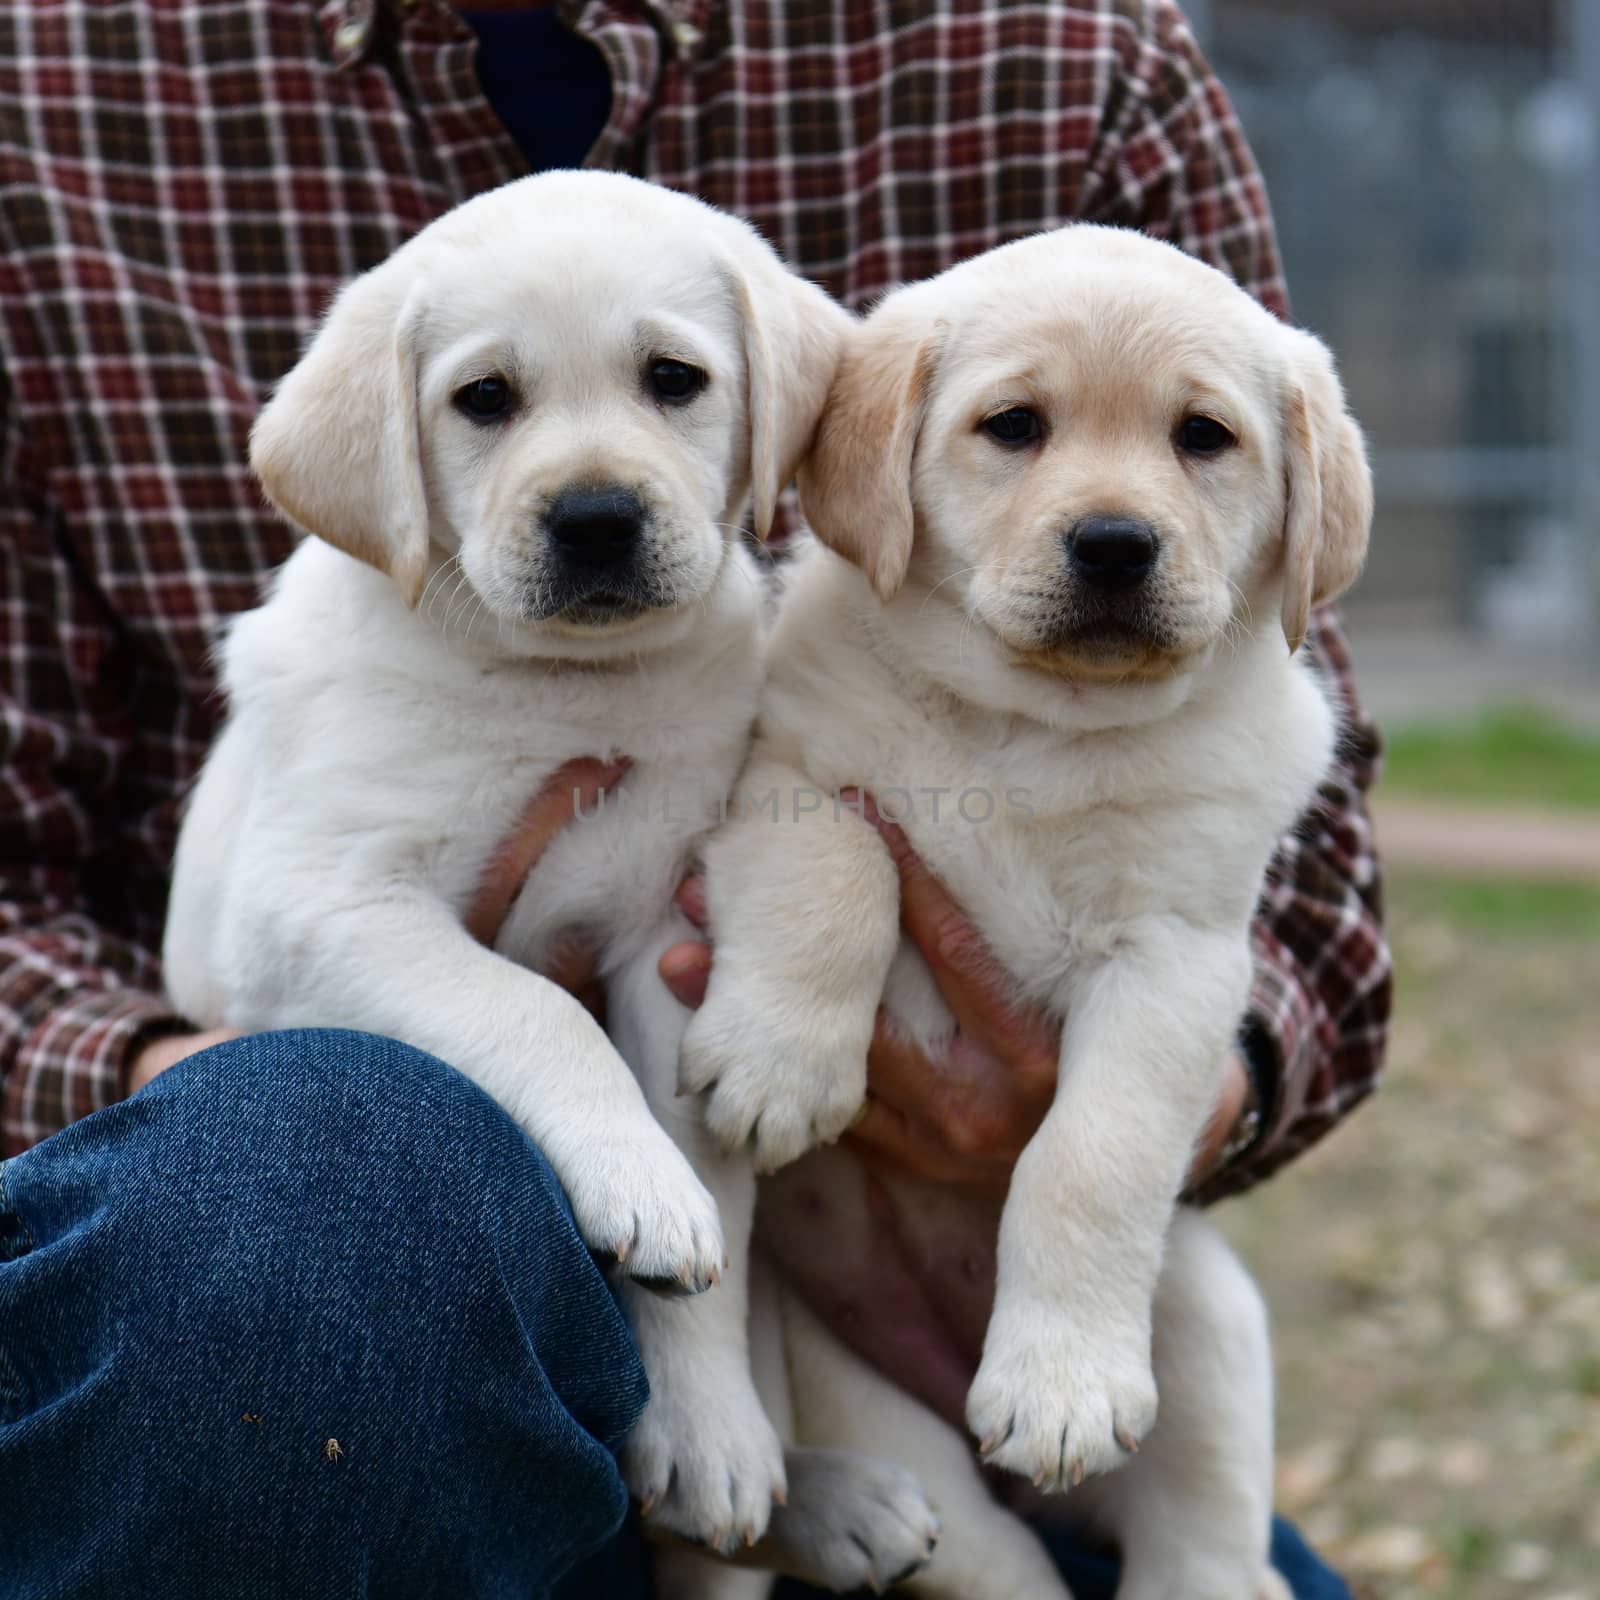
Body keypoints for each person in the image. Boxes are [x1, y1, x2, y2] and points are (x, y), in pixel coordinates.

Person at [0, 2, 1390, 1595]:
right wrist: (187, 1089)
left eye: (678, 382)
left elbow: (1305, 888)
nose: (595, 481)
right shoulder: (51, 72)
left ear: (777, 432)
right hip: (276, 1274)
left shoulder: (1072, 60)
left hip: (895, 1305)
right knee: (307, 1177)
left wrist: (1084, 1135)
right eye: (487, 402)